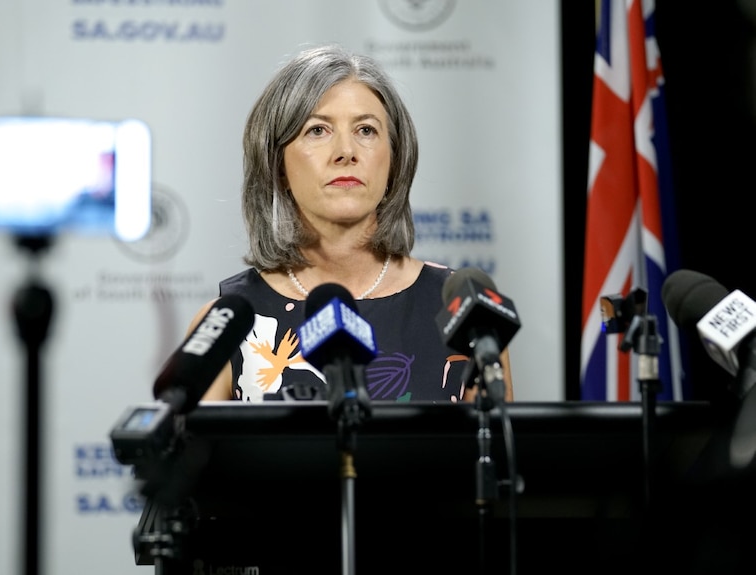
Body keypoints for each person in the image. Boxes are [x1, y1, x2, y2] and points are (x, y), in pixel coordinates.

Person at [181, 43, 513, 404]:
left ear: (395, 160)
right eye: (318, 130)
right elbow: (189, 457)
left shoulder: (464, 314)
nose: (346, 151)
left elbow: (496, 454)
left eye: (366, 131)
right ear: (278, 165)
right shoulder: (226, 322)